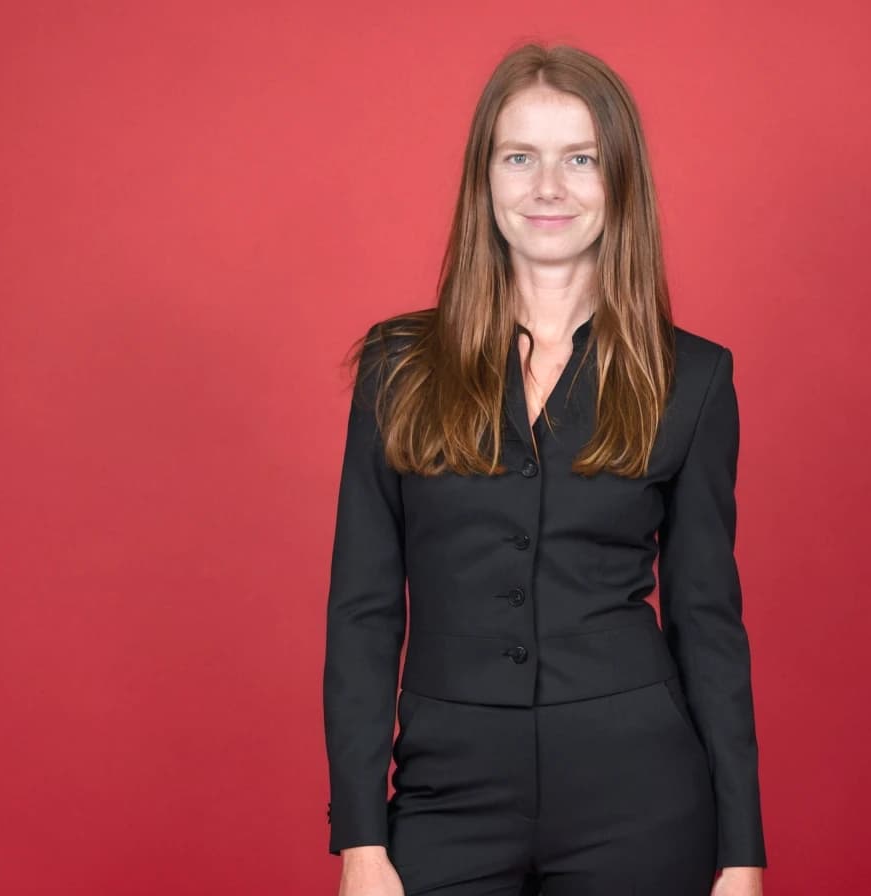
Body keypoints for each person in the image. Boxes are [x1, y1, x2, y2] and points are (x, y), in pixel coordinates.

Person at [322, 43, 767, 896]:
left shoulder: (695, 378)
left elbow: (709, 621)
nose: (548, 187)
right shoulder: (398, 365)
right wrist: (360, 838)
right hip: (445, 792)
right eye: (520, 157)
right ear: (484, 179)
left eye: (581, 159)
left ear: (619, 180)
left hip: (639, 791)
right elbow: (364, 610)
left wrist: (741, 855)